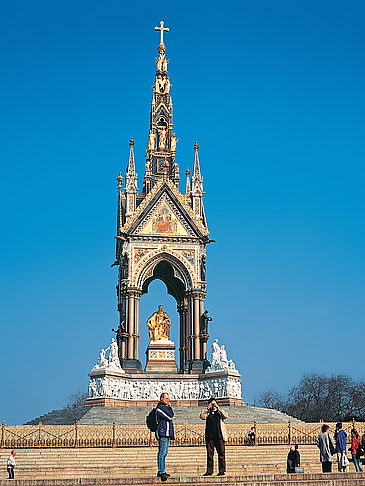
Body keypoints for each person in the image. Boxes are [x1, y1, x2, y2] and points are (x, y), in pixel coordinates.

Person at [200, 398, 228, 476]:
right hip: (210, 437)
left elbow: (225, 416)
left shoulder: (219, 413)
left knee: (221, 454)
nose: (213, 405)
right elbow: (202, 417)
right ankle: (209, 471)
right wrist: (206, 409)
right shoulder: (208, 413)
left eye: (213, 404)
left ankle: (222, 470)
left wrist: (218, 408)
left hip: (219, 436)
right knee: (209, 455)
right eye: (211, 404)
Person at [156, 392, 174, 482]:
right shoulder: (160, 408)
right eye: (166, 398)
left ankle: (162, 470)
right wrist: (169, 409)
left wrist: (169, 408)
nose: (168, 400)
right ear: (161, 399)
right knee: (162, 452)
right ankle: (161, 471)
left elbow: (171, 414)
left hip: (167, 433)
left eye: (168, 398)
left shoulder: (166, 407)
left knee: (165, 452)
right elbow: (170, 416)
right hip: (163, 432)